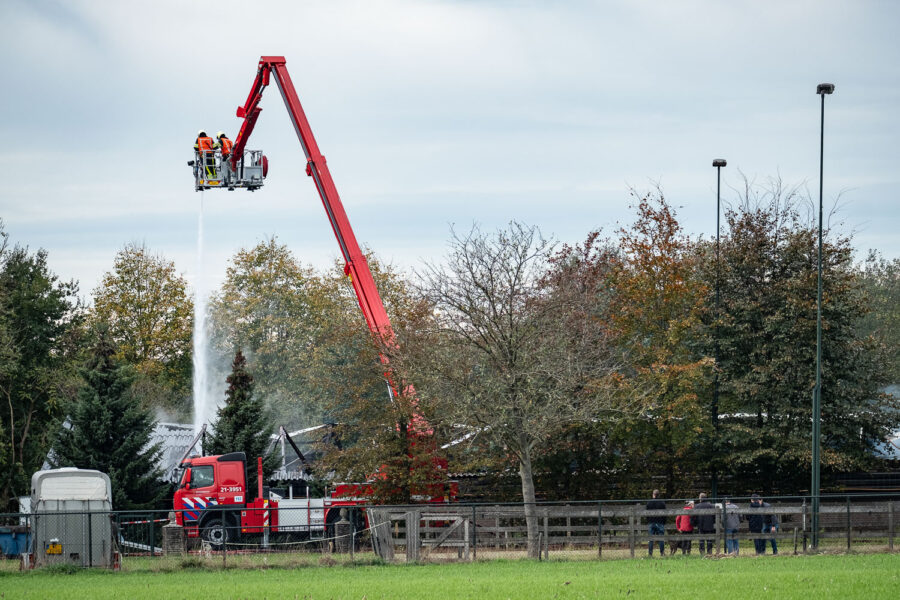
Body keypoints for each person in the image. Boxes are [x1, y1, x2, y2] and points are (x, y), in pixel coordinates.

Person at [645, 489, 666, 556]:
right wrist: (663, 522)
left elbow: (647, 513)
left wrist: (648, 521)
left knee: (651, 539)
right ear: (658, 495)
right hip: (660, 522)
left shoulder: (649, 502)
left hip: (651, 522)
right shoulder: (662, 503)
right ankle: (662, 553)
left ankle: (650, 553)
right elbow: (664, 514)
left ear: (653, 495)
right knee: (661, 538)